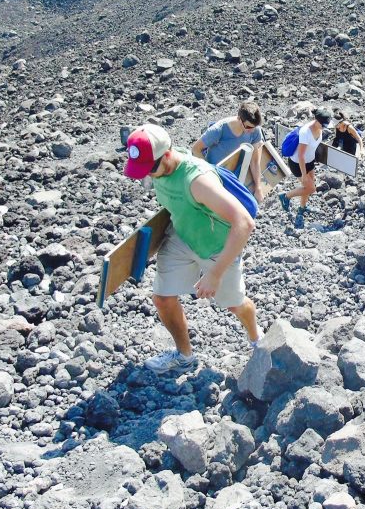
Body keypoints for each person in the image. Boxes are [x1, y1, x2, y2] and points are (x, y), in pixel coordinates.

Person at [124, 123, 262, 374]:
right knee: (163, 298)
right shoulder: (158, 169)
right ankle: (184, 356)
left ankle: (257, 339)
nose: (148, 175)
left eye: (150, 168)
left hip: (217, 248)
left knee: (234, 305)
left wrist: (215, 274)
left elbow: (244, 222)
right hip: (182, 237)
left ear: (167, 154)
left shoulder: (197, 180)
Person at [191, 101, 266, 200]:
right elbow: (195, 149)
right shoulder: (218, 130)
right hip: (216, 174)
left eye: (254, 127)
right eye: (248, 127)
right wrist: (210, 174)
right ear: (239, 118)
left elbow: (255, 161)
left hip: (239, 172)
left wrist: (258, 188)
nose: (251, 131)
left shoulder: (255, 130)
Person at [279, 107, 332, 227]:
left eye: (326, 125)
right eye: (323, 125)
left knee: (308, 187)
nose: (324, 127)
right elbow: (301, 156)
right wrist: (303, 175)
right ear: (316, 120)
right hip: (298, 164)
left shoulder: (319, 128)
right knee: (311, 188)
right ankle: (285, 196)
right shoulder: (305, 132)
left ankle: (302, 209)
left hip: (310, 161)